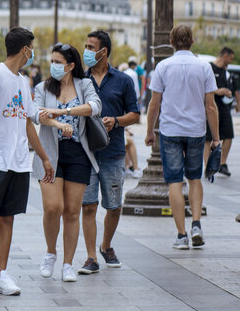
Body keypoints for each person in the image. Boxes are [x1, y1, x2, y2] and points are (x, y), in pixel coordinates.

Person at [0, 27, 53, 296]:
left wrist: (44, 157)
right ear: (25, 49)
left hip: (18, 161)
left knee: (8, 217)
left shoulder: (23, 82)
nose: (32, 54)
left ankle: (1, 274)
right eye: (32, 48)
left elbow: (27, 122)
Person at [31, 43, 101, 283]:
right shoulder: (42, 87)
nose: (54, 66)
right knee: (53, 207)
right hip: (50, 152)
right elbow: (39, 114)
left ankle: (68, 263)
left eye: (59, 62)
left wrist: (65, 112)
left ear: (71, 66)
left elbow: (95, 107)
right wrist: (58, 123)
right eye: (52, 61)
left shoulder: (85, 85)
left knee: (72, 211)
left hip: (78, 153)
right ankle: (51, 252)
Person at [145, 25, 219, 249]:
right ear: (193, 41)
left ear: (171, 41)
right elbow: (211, 107)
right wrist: (216, 137)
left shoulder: (163, 66)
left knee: (175, 182)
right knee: (194, 179)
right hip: (196, 130)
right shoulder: (204, 66)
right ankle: (196, 224)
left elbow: (154, 104)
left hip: (171, 130)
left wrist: (150, 131)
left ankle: (181, 236)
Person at [79, 30, 140, 275]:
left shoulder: (123, 80)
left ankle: (106, 246)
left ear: (104, 51)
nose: (86, 51)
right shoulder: (80, 80)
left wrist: (116, 121)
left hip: (114, 152)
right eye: (86, 46)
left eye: (90, 47)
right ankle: (91, 256)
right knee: (88, 206)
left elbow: (135, 114)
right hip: (86, 153)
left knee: (114, 206)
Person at [204, 47, 237, 177]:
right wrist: (218, 91)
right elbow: (203, 87)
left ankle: (222, 163)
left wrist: (228, 92)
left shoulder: (226, 71)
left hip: (224, 107)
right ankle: (208, 167)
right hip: (211, 105)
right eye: (230, 58)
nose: (231, 60)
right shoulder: (209, 68)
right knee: (207, 137)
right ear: (225, 56)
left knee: (228, 135)